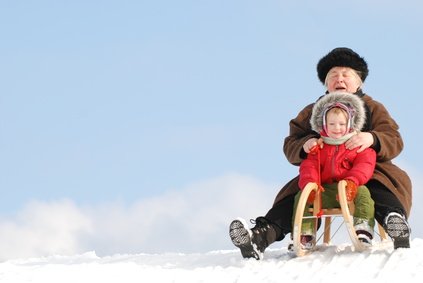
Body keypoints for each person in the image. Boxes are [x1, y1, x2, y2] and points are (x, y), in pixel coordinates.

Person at [229, 47, 412, 260]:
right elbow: (291, 142)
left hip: (365, 168)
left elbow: (394, 137)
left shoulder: (373, 107)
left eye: (346, 74)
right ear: (326, 83)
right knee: (296, 196)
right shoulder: (312, 110)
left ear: (359, 81)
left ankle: (395, 222)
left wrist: (372, 138)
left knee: (380, 187)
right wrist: (306, 144)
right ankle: (260, 237)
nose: (339, 79)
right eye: (333, 75)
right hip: (321, 171)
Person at [293, 91, 376, 250]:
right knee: (301, 197)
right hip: (325, 191)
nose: (336, 128)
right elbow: (309, 166)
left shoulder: (357, 144)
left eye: (341, 124)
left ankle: (363, 229)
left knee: (364, 194)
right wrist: (310, 184)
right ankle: (304, 234)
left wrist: (353, 181)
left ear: (350, 124)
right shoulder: (319, 145)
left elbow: (364, 164)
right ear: (324, 125)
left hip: (350, 190)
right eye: (331, 124)